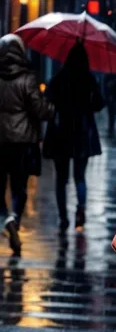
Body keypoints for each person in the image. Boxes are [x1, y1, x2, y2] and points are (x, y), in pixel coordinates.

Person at [0, 34, 54, 255]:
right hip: (22, 142)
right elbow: (40, 110)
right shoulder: (28, 77)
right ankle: (15, 220)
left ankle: (5, 218)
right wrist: (50, 108)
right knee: (19, 187)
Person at [43, 42, 104, 231]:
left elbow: (48, 99)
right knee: (80, 176)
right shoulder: (89, 79)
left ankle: (63, 217)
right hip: (82, 134)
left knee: (61, 179)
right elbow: (99, 104)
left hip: (61, 132)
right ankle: (80, 210)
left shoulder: (59, 78)